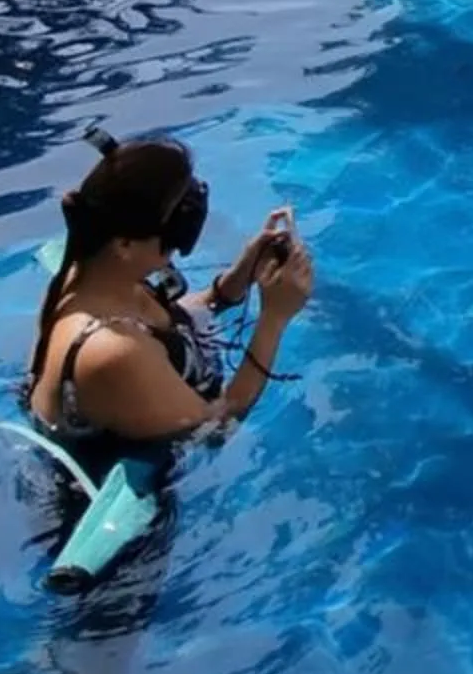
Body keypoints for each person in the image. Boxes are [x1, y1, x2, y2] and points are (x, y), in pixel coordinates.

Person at [25, 132, 313, 457]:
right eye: (170, 239)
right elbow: (217, 426)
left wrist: (233, 283)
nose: (174, 250)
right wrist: (274, 318)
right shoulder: (112, 353)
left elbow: (157, 327)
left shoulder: (92, 278)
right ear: (124, 245)